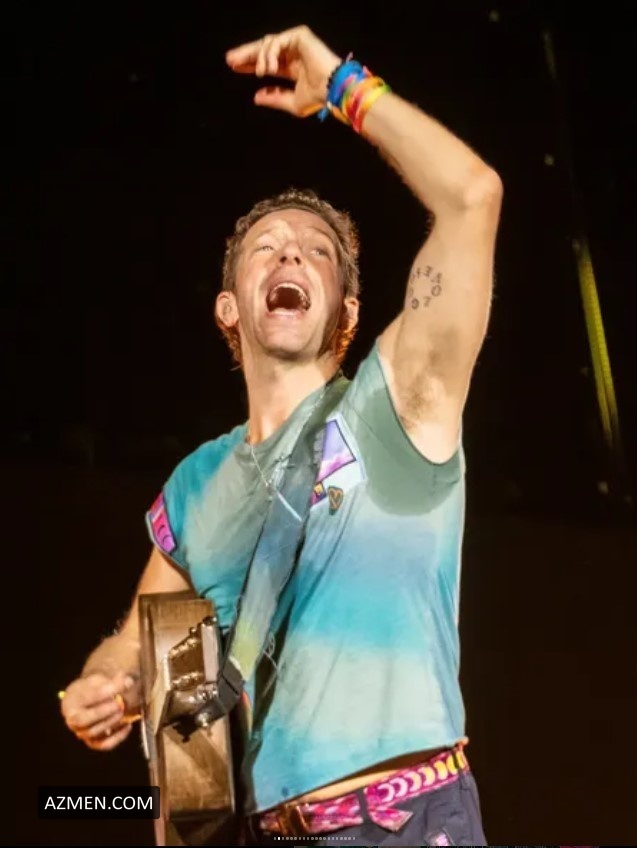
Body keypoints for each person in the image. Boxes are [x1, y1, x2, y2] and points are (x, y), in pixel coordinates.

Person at [60, 24, 502, 847]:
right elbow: (144, 646)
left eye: (316, 252)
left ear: (348, 312)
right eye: (266, 249)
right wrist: (104, 684)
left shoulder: (400, 403)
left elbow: (472, 196)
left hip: (401, 821)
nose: (289, 254)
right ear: (229, 306)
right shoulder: (195, 484)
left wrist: (342, 88)